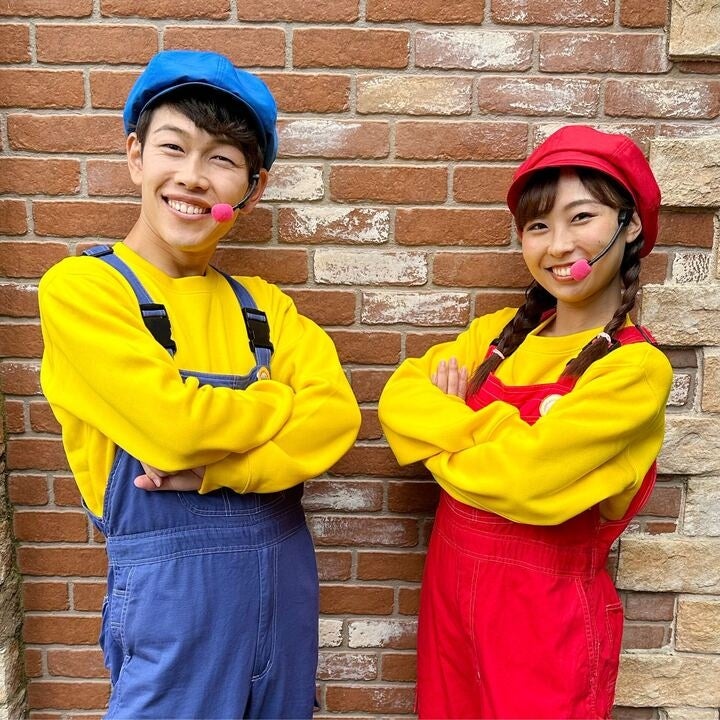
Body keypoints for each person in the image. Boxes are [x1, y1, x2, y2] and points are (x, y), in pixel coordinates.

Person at [39, 49, 361, 720]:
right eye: (173, 147)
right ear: (135, 156)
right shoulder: (84, 291)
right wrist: (275, 399)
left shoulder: (265, 307)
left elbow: (334, 420)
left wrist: (220, 471)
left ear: (251, 188)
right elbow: (175, 430)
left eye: (221, 158)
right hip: (172, 601)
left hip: (286, 592)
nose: (192, 175)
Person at [378, 125, 672, 719]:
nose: (558, 245)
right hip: (450, 603)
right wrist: (509, 440)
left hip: (544, 621)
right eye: (538, 226)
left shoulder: (634, 369)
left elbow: (525, 480)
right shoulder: (493, 337)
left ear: (630, 226)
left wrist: (447, 431)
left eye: (581, 217)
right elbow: (398, 402)